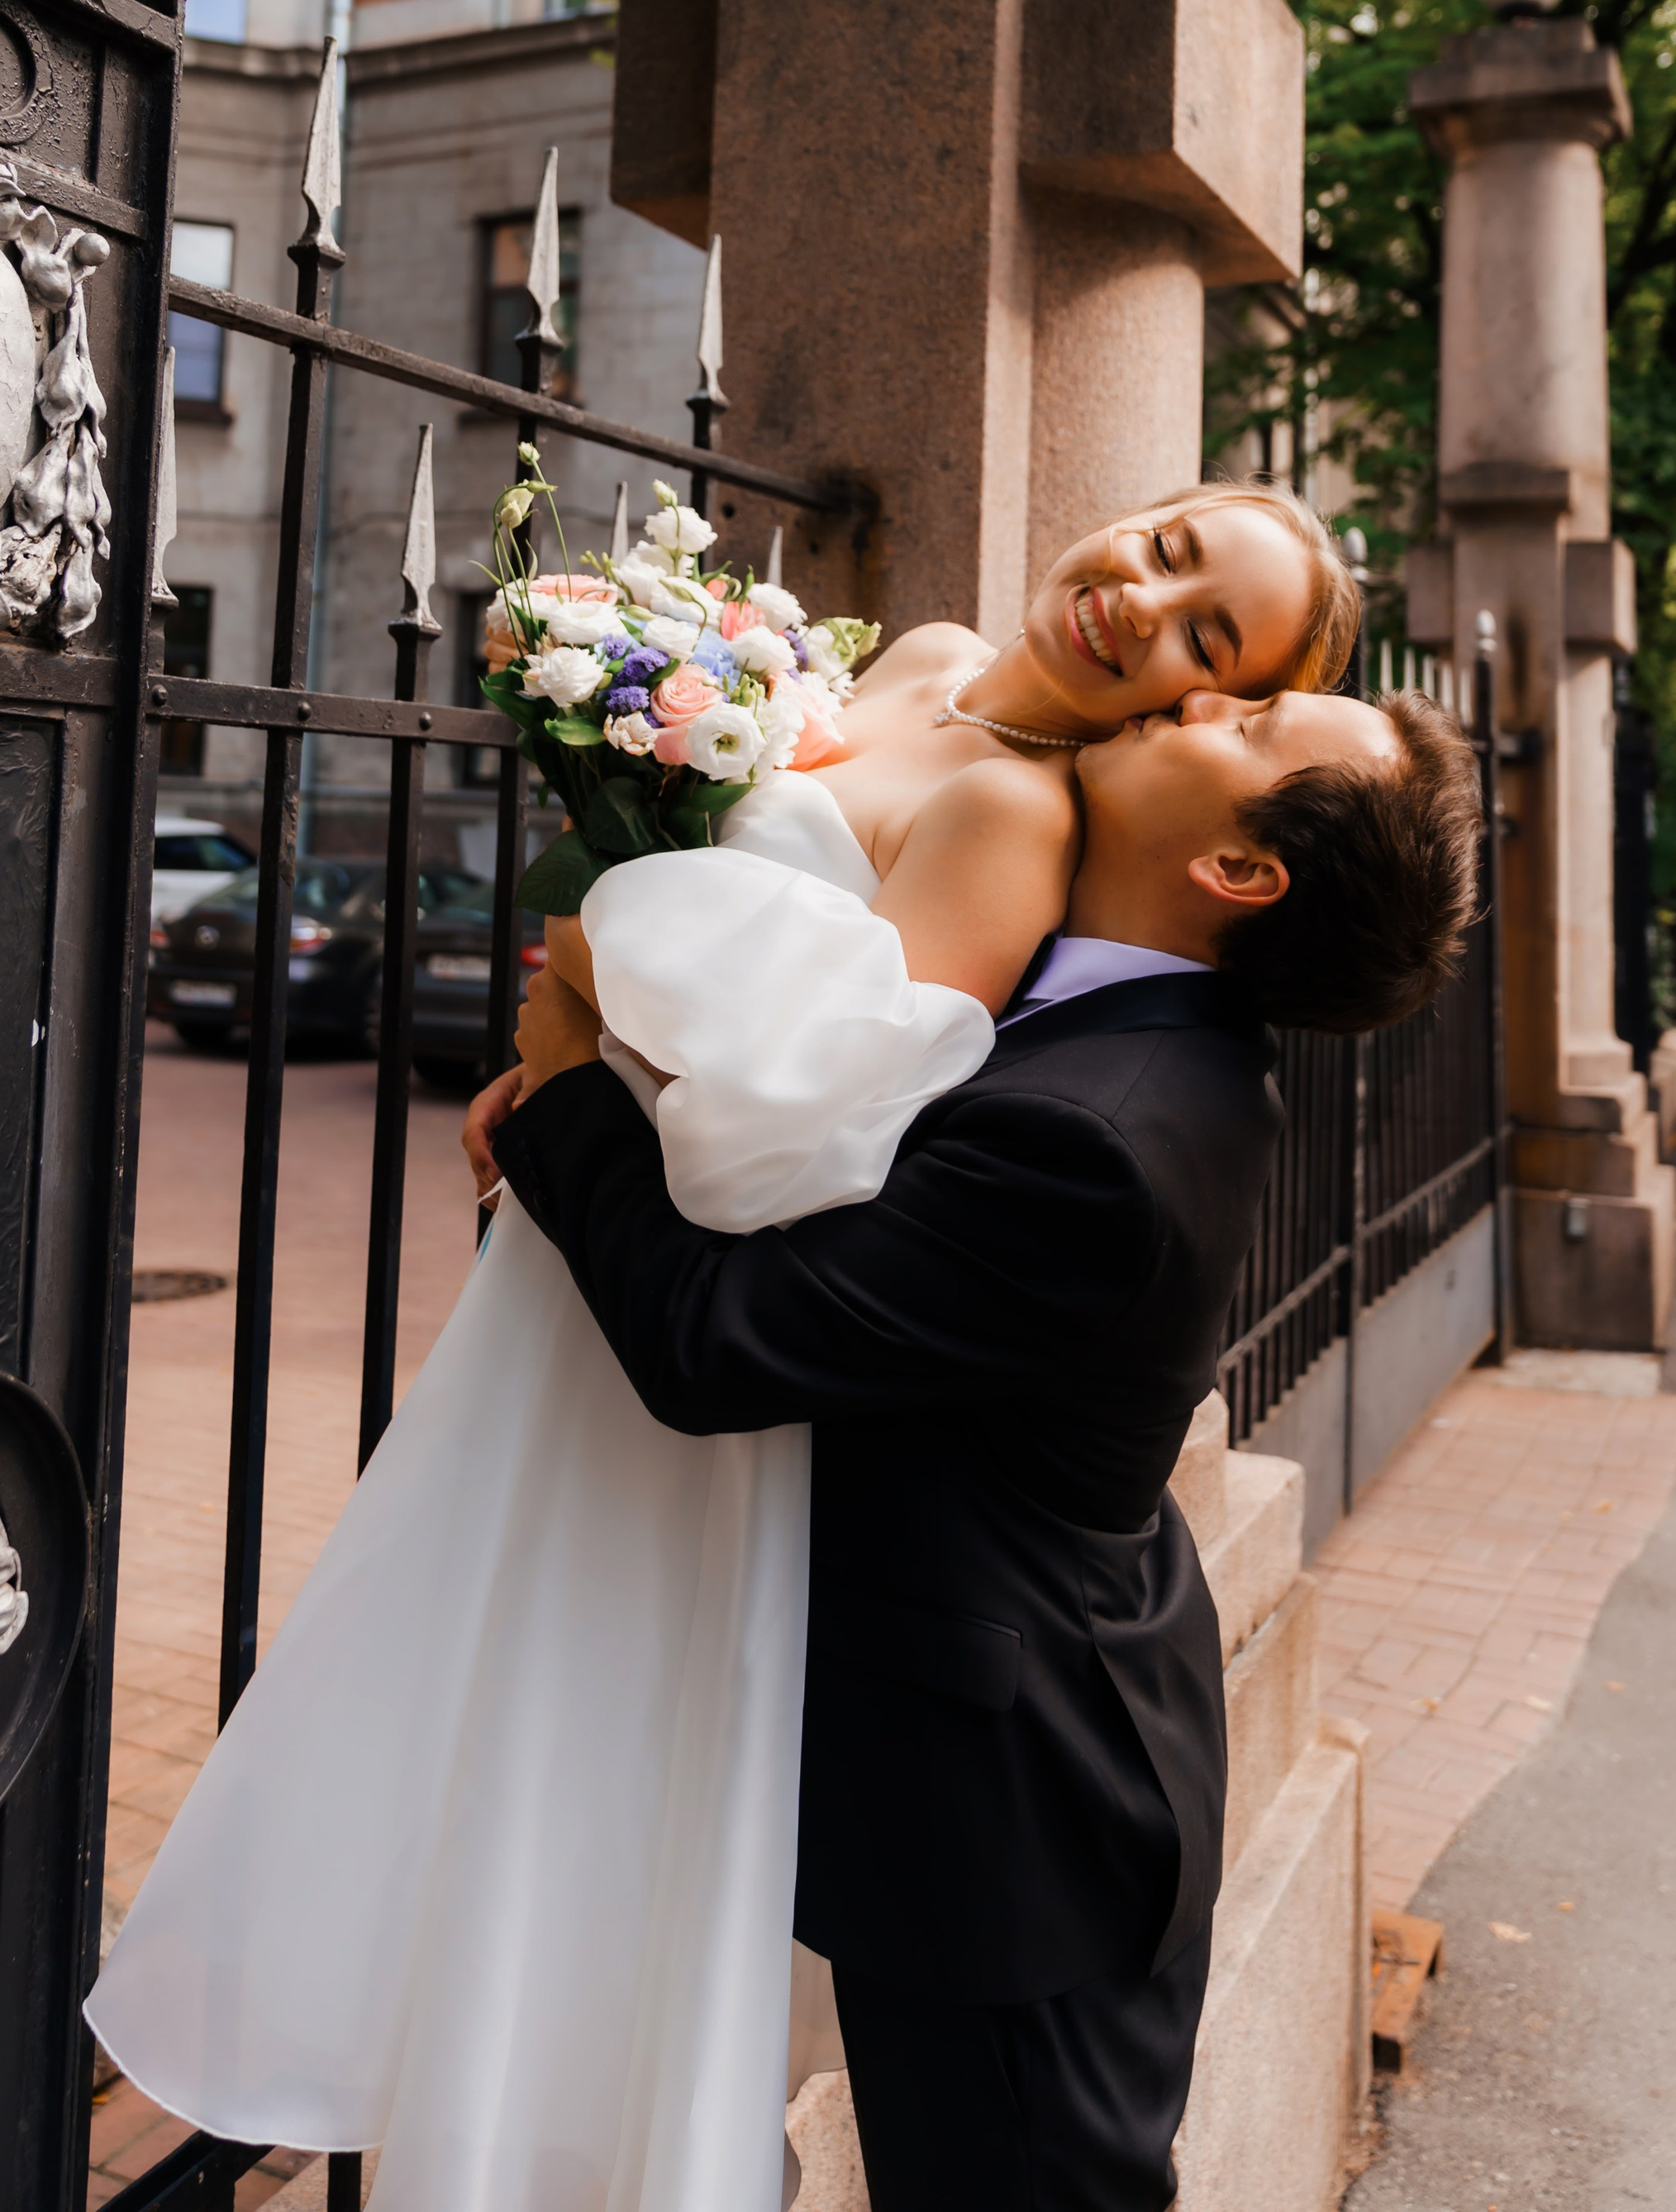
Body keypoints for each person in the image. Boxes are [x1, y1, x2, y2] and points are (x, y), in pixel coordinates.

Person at [87, 489, 1357, 2212]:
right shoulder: (922, 663)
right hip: (571, 1272)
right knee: (440, 1669)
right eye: (1170, 543)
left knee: (576, 1756)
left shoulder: (1015, 818)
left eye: (1220, 647)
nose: (1149, 605)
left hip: (672, 1319)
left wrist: (577, 1048)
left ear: (1195, 721)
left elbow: (796, 1143)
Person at [492, 684, 1485, 2212]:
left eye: (1254, 713)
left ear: (1240, 870)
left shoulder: (1104, 1131)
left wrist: (568, 1092)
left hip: (1016, 1818)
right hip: (1027, 1726)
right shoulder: (1105, 1023)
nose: (1200, 690)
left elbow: (719, 1343)